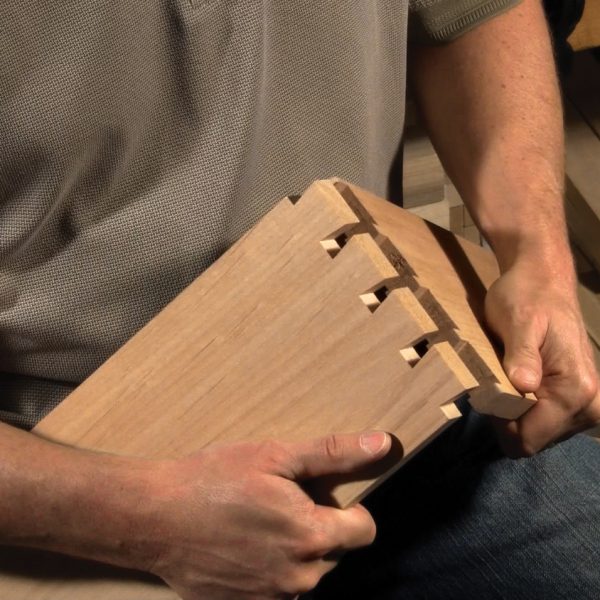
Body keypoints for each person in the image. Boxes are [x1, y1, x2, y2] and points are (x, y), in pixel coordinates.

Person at [0, 1, 598, 598]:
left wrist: (539, 259)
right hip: (79, 486)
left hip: (394, 389)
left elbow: (476, 14)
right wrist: (141, 523)